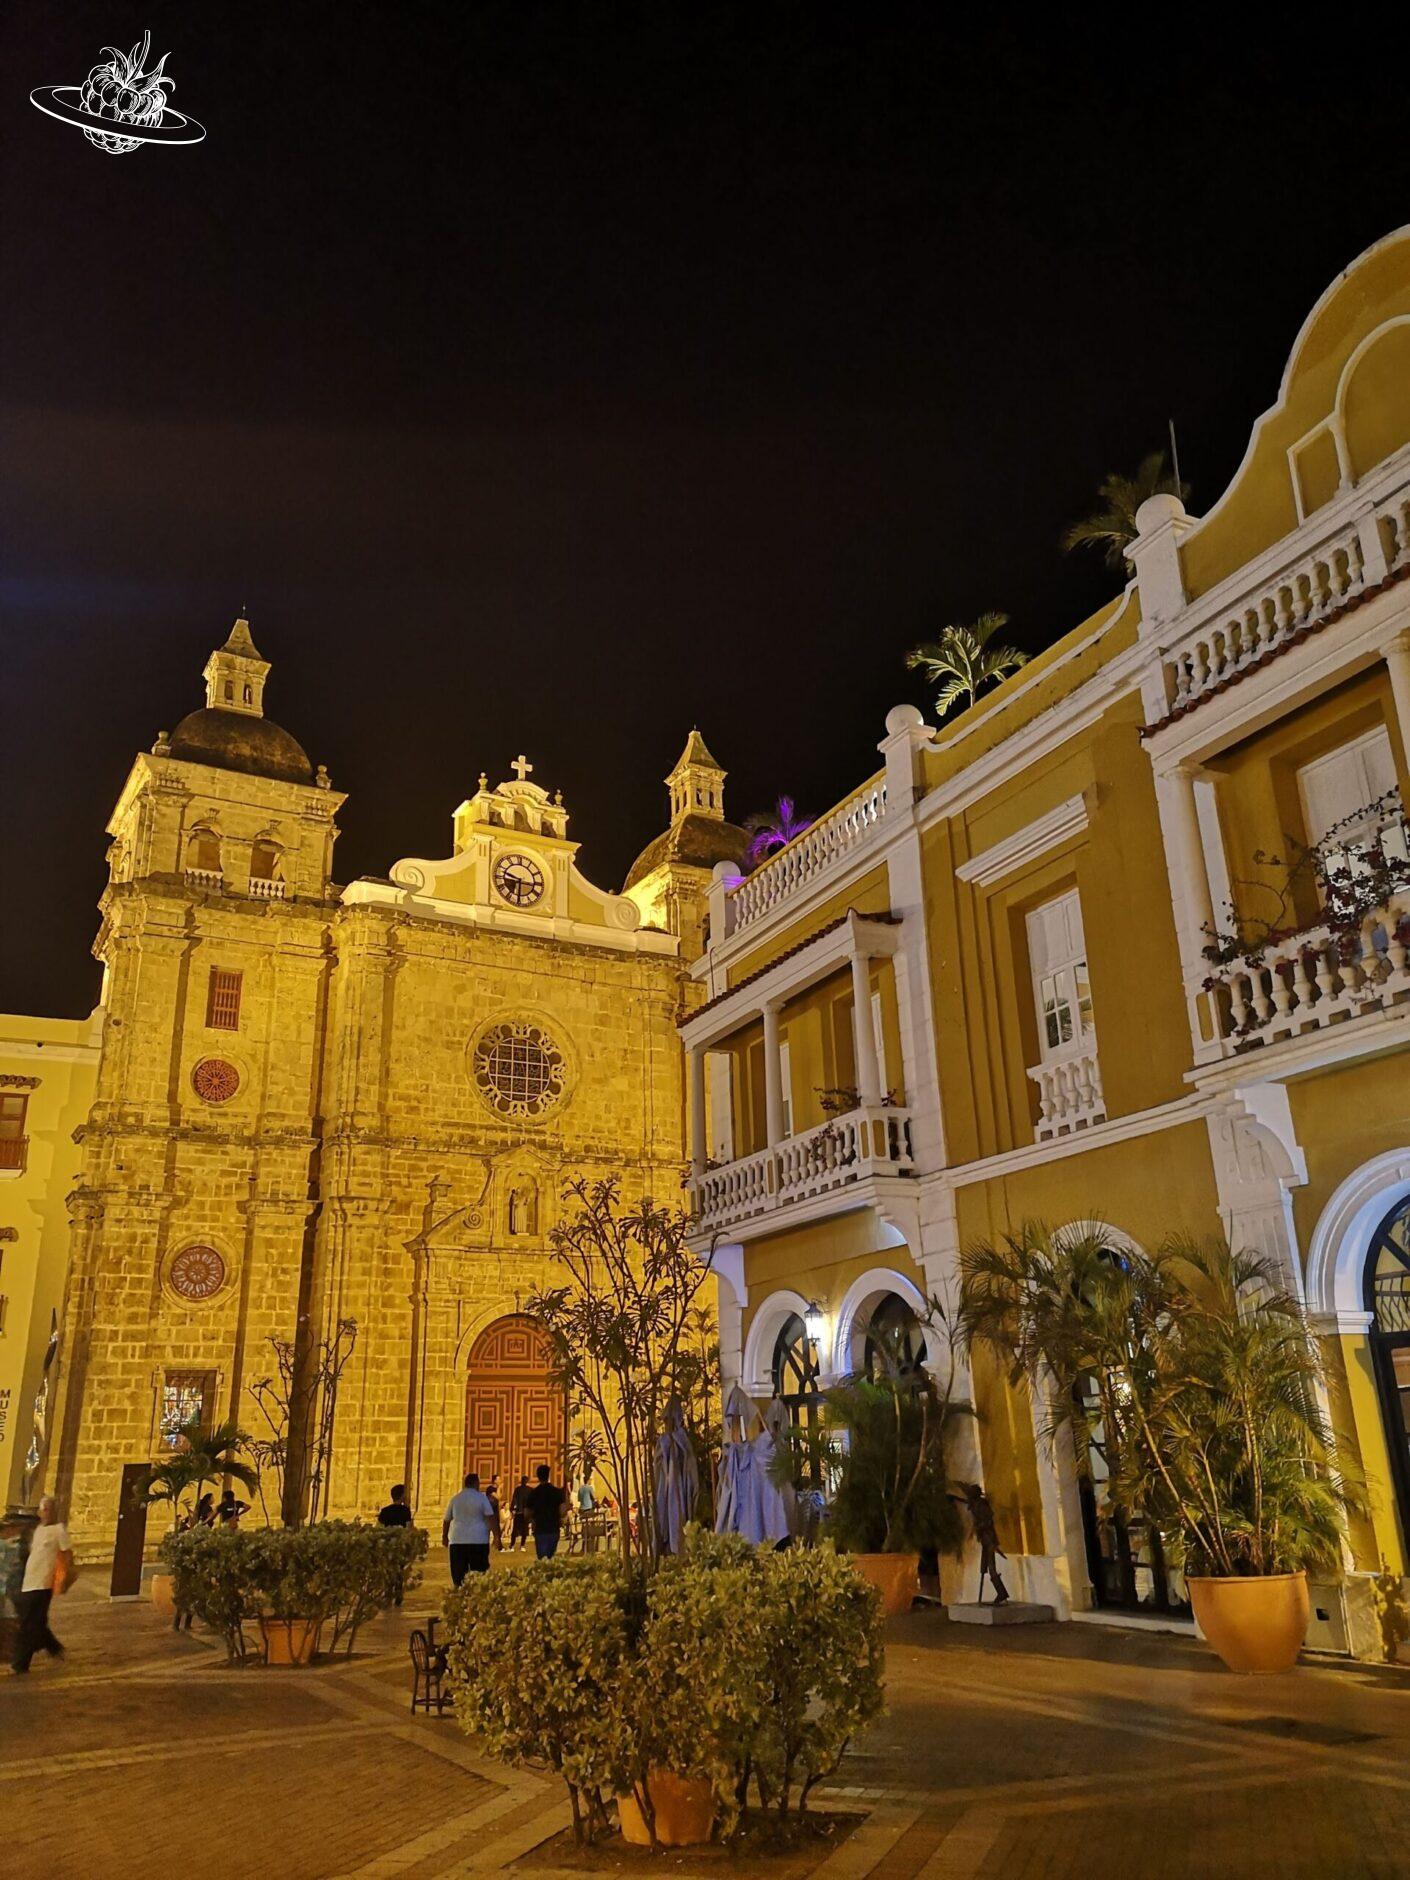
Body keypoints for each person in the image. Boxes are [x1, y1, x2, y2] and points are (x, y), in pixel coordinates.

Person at [11, 1495, 71, 1675]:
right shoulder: (36, 1530)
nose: (47, 1513)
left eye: (50, 1509)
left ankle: (21, 1662)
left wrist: (64, 1579)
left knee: (29, 1623)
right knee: (33, 1621)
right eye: (44, 1509)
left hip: (43, 1584)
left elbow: (67, 1555)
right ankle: (50, 1644)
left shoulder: (58, 1530)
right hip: (29, 1581)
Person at [442, 1472, 496, 1586]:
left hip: (458, 1540)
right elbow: (490, 1517)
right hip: (478, 1540)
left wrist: (444, 1536)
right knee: (479, 1573)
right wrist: (497, 1537)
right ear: (476, 1483)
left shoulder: (455, 1499)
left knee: (458, 1575)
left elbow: (446, 1520)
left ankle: (460, 1596)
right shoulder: (481, 1498)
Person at [526, 1463, 565, 1560]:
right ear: (548, 1475)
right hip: (553, 1528)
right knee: (551, 1556)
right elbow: (563, 1510)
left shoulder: (533, 1493)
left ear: (538, 1476)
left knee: (542, 1558)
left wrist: (532, 1520)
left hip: (540, 1529)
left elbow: (526, 1513)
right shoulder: (556, 1492)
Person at [507, 1476, 531, 1551]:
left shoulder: (517, 1489)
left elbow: (514, 1499)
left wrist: (513, 1509)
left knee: (515, 1529)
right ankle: (522, 1546)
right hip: (526, 1512)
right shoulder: (530, 1490)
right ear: (527, 1481)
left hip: (518, 1512)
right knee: (524, 1530)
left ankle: (512, 1545)